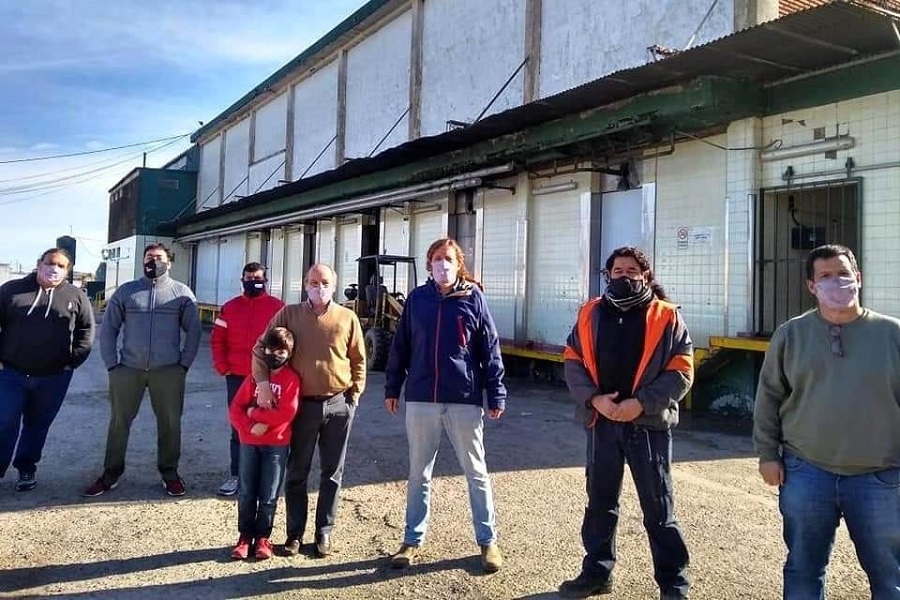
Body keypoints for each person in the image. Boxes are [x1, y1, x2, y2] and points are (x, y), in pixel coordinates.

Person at [753, 244, 900, 599]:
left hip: (880, 476)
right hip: (807, 471)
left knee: (890, 575)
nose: (837, 282)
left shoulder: (892, 334)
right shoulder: (791, 335)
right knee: (804, 568)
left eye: (844, 274)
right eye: (826, 276)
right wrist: (768, 455)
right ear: (812, 286)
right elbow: (769, 397)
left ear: (858, 278)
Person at [560, 246, 693, 600]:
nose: (624, 276)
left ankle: (674, 584)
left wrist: (641, 404)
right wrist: (594, 400)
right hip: (601, 423)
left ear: (645, 276)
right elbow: (572, 359)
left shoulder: (666, 316)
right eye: (617, 271)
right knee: (600, 503)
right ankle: (597, 573)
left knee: (659, 508)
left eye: (632, 271)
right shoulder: (590, 313)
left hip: (647, 426)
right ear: (607, 276)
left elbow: (682, 370)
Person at [385, 237, 507, 574]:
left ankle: (488, 541)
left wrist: (496, 392)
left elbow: (490, 348)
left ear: (458, 263)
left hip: (463, 398)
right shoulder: (417, 299)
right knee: (418, 474)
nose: (443, 264)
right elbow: (401, 346)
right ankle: (411, 539)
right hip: (422, 397)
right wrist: (393, 387)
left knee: (476, 473)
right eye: (437, 258)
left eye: (448, 258)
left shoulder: (473, 298)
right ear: (429, 264)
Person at [252, 263, 366, 558]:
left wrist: (353, 396)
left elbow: (358, 359)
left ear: (334, 285)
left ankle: (324, 532)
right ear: (305, 284)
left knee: (332, 473)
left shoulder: (347, 317)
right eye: (314, 282)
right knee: (297, 472)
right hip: (301, 406)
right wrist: (262, 383)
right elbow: (261, 348)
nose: (319, 287)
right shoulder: (289, 314)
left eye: (325, 282)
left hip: (338, 404)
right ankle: (294, 534)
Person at [83, 242, 202, 498]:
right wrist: (112, 364)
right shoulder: (127, 292)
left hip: (168, 371)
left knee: (170, 423)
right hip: (128, 369)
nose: (153, 261)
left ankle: (170, 473)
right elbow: (109, 329)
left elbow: (193, 331)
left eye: (158, 257)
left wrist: (183, 364)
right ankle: (110, 474)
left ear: (169, 262)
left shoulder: (181, 293)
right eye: (149, 257)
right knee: (119, 422)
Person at [0, 248, 95, 491]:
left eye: (61, 266)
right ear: (39, 263)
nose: (54, 269)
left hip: (54, 377)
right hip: (10, 374)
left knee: (37, 425)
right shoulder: (11, 290)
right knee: (4, 422)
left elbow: (86, 329)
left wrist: (73, 360)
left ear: (67, 270)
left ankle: (26, 467)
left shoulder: (76, 296)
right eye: (50, 263)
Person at [211, 262, 284, 497]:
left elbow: (286, 342)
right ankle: (237, 475)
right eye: (249, 278)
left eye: (258, 278)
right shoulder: (230, 308)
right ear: (242, 280)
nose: (253, 281)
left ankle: (266, 478)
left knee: (269, 423)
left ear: (266, 280)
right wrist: (222, 366)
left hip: (267, 377)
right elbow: (217, 339)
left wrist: (280, 371)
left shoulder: (278, 308)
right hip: (237, 376)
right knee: (239, 426)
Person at [229, 327, 301, 560]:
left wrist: (256, 415)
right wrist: (249, 425)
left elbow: (287, 412)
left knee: (269, 494)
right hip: (249, 443)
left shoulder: (291, 379)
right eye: (270, 350)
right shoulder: (255, 378)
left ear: (289, 353)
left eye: (280, 351)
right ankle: (244, 537)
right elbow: (235, 409)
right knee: (247, 492)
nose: (274, 355)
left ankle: (263, 537)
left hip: (276, 445)